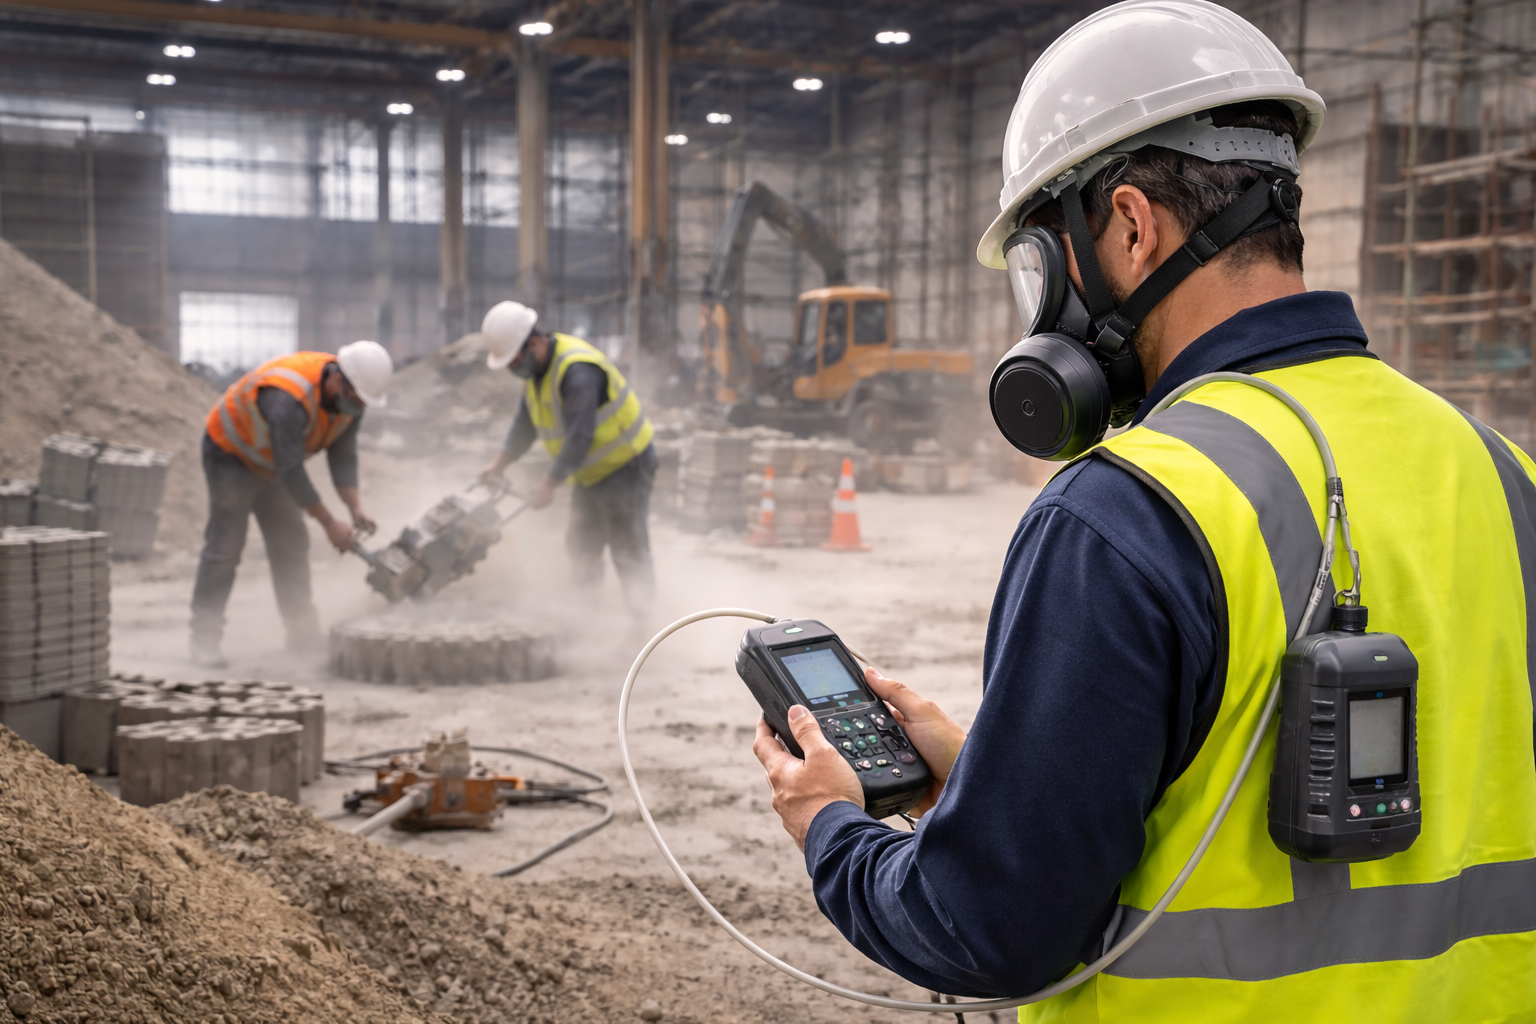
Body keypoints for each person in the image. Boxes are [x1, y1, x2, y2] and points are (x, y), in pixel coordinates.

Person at [751, 2, 1536, 1019]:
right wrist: (987, 779)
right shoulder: (1504, 474)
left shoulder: (1124, 512)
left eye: (1041, 263)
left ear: (1129, 224)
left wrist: (828, 827)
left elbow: (985, 926)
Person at [190, 341, 393, 667]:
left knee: (290, 544)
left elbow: (343, 456)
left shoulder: (351, 401)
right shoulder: (288, 398)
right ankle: (204, 639)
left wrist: (354, 509)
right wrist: (329, 523)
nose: (357, 408)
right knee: (225, 546)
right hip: (231, 454)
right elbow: (291, 470)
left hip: (272, 465)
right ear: (339, 381)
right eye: (355, 399)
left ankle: (301, 633)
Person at [477, 301, 658, 613]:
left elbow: (580, 435)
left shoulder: (577, 371)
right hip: (590, 472)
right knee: (581, 543)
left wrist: (549, 484)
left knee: (627, 546)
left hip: (626, 465)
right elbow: (525, 422)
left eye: (515, 359)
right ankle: (586, 618)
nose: (513, 368)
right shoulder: (534, 374)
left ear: (533, 343)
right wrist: (499, 464)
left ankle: (644, 625)